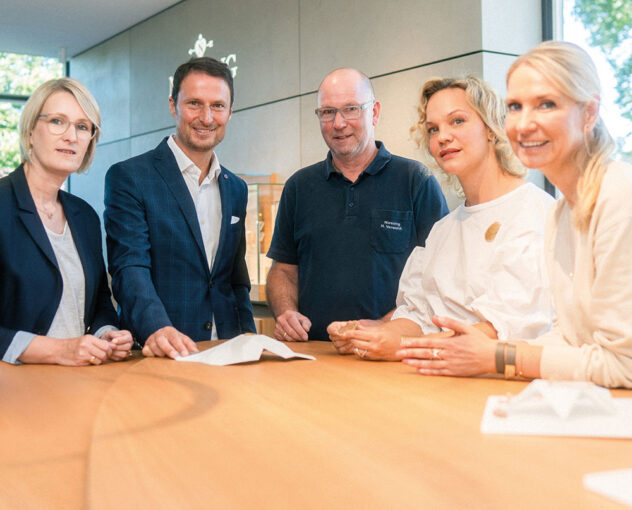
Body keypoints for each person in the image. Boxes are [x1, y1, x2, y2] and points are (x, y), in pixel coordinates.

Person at [397, 42, 632, 388]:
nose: (524, 124)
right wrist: (483, 351)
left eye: (546, 104)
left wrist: (500, 356)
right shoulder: (562, 213)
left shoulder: (618, 195)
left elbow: (624, 364)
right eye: (515, 107)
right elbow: (569, 338)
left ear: (589, 113)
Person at [329, 76, 554, 360]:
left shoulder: (534, 212)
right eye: (433, 129)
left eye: (457, 121)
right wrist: (369, 335)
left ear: (490, 128)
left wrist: (403, 345)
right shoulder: (443, 230)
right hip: (437, 375)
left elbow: (502, 328)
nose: (442, 137)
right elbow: (417, 316)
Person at [266, 68, 448, 342]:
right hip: (314, 352)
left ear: (374, 112)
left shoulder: (415, 181)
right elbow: (283, 271)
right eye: (327, 112)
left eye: (351, 109)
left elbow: (439, 278)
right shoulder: (298, 187)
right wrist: (286, 312)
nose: (338, 123)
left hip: (392, 352)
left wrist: (385, 326)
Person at [104, 57, 255, 359]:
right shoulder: (130, 177)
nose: (206, 118)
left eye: (218, 106)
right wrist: (158, 329)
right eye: (194, 104)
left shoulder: (236, 188)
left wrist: (250, 338)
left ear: (230, 112)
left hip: (227, 350)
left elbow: (235, 279)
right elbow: (129, 268)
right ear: (173, 106)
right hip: (158, 351)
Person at [0, 78, 133, 366]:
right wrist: (58, 350)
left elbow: (100, 301)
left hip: (78, 380)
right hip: (14, 385)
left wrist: (106, 333)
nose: (71, 136)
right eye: (57, 121)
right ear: (30, 131)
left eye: (83, 127)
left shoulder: (84, 215)